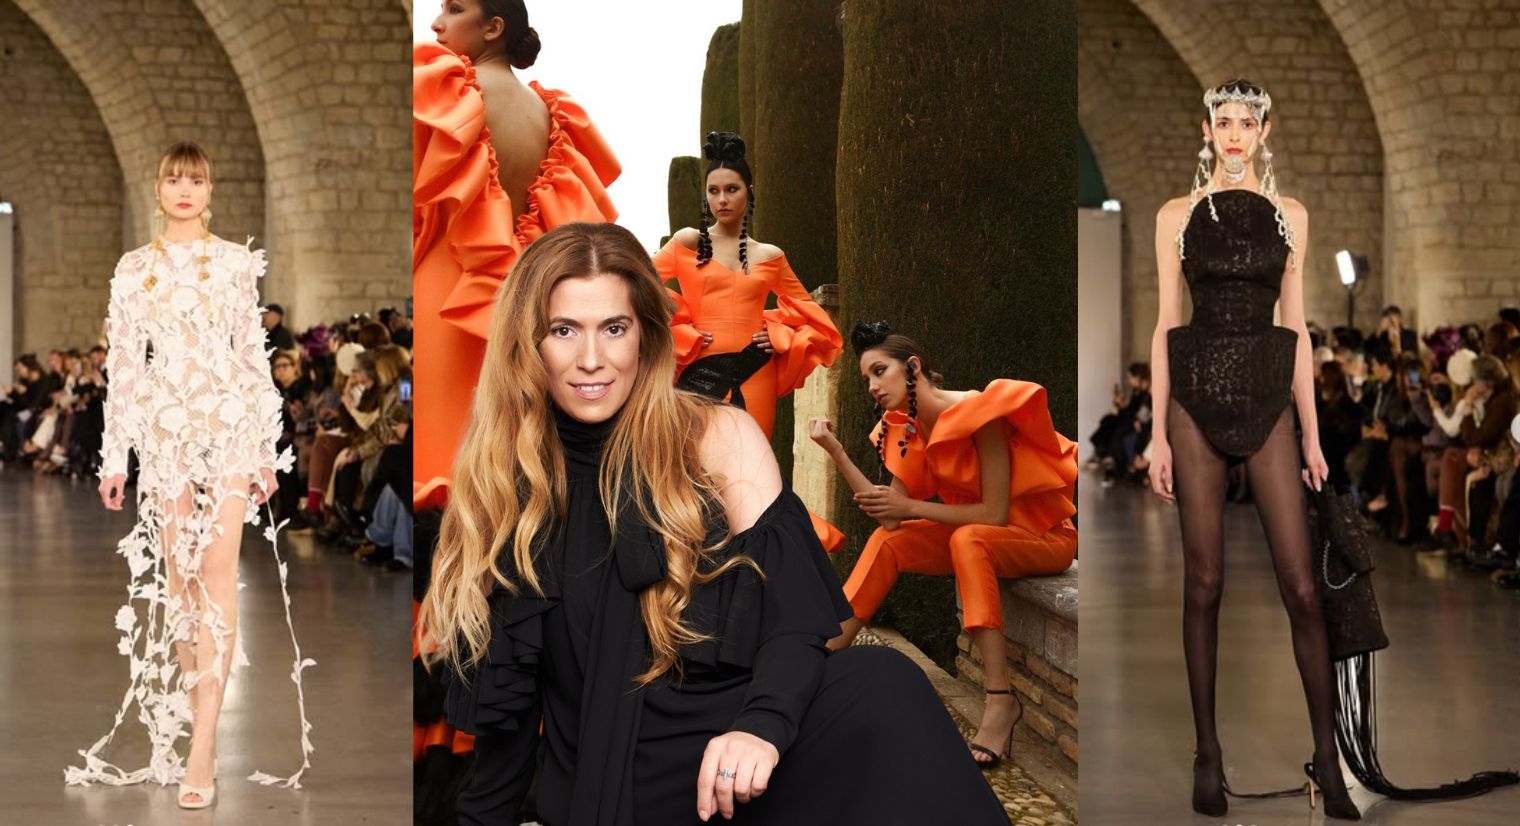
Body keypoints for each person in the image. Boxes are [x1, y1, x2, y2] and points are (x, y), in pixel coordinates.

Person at [421, 222, 1008, 826]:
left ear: (647, 337)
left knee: (885, 684)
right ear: (528, 342)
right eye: (563, 330)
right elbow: (507, 717)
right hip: (619, 792)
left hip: (739, 760)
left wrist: (761, 726)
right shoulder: (506, 482)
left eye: (614, 328)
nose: (591, 359)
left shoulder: (716, 436)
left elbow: (792, 622)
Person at [66, 142, 314, 808]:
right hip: (165, 431)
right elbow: (124, 365)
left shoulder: (234, 263)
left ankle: (202, 743)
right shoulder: (133, 268)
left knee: (217, 569)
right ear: (158, 189)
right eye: (174, 178)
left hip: (229, 425)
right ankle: (198, 719)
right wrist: (114, 457)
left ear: (209, 190)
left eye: (196, 179)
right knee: (180, 576)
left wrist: (264, 448)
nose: (184, 189)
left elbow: (251, 355)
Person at [1148, 79, 1356, 819]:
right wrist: (1155, 432)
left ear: (1265, 132)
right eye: (1224, 122)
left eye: (1247, 122)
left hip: (1269, 392)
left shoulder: (1291, 215)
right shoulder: (1175, 215)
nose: (1235, 133)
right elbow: (1165, 323)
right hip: (1195, 391)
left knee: (1301, 586)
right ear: (1206, 130)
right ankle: (1208, 755)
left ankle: (1327, 761)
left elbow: (1296, 329)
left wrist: (1313, 432)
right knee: (1204, 581)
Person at [810, 321, 1077, 768]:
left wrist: (912, 506)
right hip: (979, 538)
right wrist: (835, 451)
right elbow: (891, 515)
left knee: (970, 538)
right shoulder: (909, 428)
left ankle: (1000, 700)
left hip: (1042, 536)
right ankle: (824, 654)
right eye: (867, 378)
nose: (872, 386)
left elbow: (993, 514)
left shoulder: (980, 412)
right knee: (889, 541)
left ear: (913, 367)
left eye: (880, 371)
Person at [414, 0, 619, 497]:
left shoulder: (440, 88)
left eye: (454, 9)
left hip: (448, 290)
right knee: (509, 462)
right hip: (527, 296)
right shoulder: (554, 115)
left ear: (493, 28)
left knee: (438, 461)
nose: (437, 22)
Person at [654, 132, 843, 443]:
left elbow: (812, 316)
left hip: (755, 370)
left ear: (749, 192)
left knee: (754, 459)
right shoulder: (687, 242)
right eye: (713, 191)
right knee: (696, 459)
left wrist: (779, 335)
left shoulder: (770, 256)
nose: (722, 200)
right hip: (699, 369)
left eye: (732, 189)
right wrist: (679, 328)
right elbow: (635, 283)